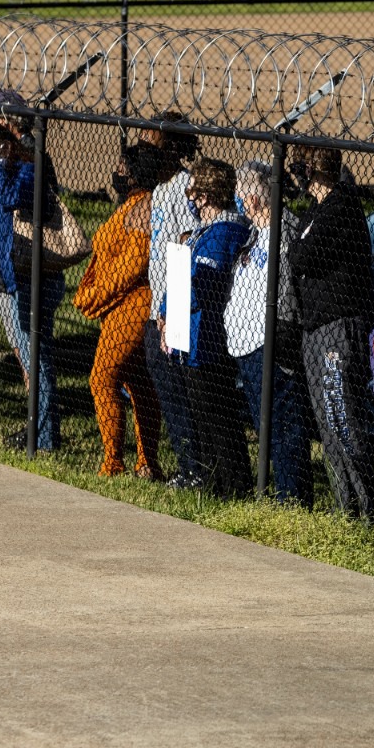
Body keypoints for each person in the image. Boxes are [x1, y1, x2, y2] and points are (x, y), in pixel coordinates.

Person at [286, 144, 374, 519]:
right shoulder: (317, 208)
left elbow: (302, 256)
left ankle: (368, 506)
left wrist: (301, 251)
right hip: (316, 326)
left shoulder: (341, 206)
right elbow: (299, 252)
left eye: (301, 166)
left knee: (342, 416)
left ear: (315, 170)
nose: (295, 174)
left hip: (338, 327)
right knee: (326, 422)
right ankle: (346, 503)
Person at [0, 124, 66, 452]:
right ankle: (36, 426)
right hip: (8, 280)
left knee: (38, 359)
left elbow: (9, 199)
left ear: (9, 147)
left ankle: (46, 438)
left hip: (33, 281)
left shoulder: (28, 172)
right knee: (28, 360)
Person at [160, 158, 252, 499]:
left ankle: (234, 487)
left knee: (218, 418)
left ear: (205, 195)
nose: (190, 199)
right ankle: (216, 484)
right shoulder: (206, 232)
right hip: (191, 337)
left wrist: (185, 287)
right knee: (203, 417)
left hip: (207, 339)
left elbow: (205, 285)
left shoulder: (225, 232)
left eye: (193, 192)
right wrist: (167, 312)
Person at [224, 159, 312, 507]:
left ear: (255, 200)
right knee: (266, 428)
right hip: (246, 345)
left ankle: (293, 499)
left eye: (241, 196)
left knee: (285, 427)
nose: (239, 202)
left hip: (272, 345)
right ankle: (275, 491)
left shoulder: (284, 230)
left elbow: (288, 293)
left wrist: (282, 341)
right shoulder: (254, 233)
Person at [74, 143, 164, 479]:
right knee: (138, 382)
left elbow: (132, 267)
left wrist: (93, 295)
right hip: (118, 305)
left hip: (134, 303)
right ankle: (147, 462)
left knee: (101, 378)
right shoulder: (130, 204)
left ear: (136, 171)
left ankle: (113, 462)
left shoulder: (144, 208)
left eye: (123, 166)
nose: (118, 172)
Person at [145, 113, 203, 488]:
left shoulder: (184, 188)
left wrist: (171, 314)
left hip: (175, 310)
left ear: (170, 148)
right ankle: (186, 462)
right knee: (166, 392)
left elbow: (185, 249)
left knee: (183, 395)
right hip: (157, 308)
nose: (145, 151)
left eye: (153, 144)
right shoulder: (159, 191)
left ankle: (195, 467)